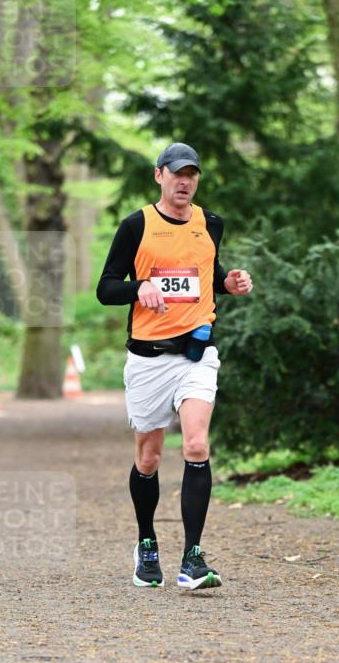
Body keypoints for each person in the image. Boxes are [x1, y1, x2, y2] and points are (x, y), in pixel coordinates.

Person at [96, 142, 252, 590]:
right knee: (148, 457)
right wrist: (139, 287)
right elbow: (106, 288)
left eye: (192, 175)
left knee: (197, 446)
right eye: (177, 173)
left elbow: (209, 275)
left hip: (197, 354)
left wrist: (229, 282)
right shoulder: (136, 226)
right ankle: (147, 544)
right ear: (159, 175)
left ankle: (193, 559)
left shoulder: (211, 223)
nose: (185, 182)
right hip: (147, 357)